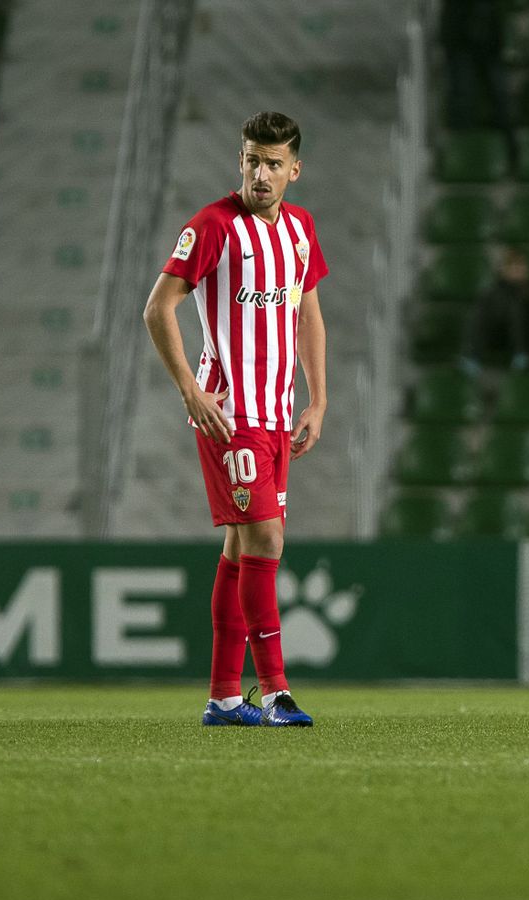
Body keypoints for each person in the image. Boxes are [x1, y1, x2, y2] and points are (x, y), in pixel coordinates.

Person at [142, 111, 328, 729]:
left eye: (274, 163)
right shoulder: (214, 226)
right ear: (239, 161)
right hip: (230, 414)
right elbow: (157, 309)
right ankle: (273, 690)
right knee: (268, 538)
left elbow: (307, 317)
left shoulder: (300, 230)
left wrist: (318, 399)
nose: (260, 173)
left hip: (276, 413)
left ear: (294, 170)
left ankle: (223, 697)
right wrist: (191, 390)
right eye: (251, 159)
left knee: (240, 544)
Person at [439, 0, 516, 162]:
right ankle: (460, 157)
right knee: (463, 98)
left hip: (489, 44)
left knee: (501, 98)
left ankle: (510, 155)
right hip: (460, 43)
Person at [464, 246, 529, 372]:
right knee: (480, 310)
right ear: (504, 270)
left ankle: (521, 354)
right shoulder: (493, 292)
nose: (517, 270)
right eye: (513, 267)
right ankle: (472, 355)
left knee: (516, 309)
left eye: (520, 266)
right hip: (500, 336)